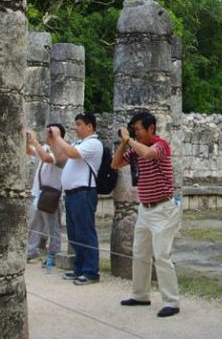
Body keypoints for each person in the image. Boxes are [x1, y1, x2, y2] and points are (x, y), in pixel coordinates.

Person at [111, 111, 182, 318]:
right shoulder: (136, 148)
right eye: (133, 130)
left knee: (161, 255)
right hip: (145, 208)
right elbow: (115, 164)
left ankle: (171, 301)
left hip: (163, 208)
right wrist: (124, 143)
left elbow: (149, 154)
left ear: (151, 128)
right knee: (140, 252)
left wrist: (129, 140)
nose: (136, 133)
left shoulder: (161, 145)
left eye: (138, 129)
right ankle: (140, 295)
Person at [48, 113, 104, 285]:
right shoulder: (78, 143)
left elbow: (72, 154)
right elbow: (61, 158)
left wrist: (59, 137)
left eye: (79, 124)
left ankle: (91, 271)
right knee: (74, 234)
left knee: (85, 232)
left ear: (90, 126)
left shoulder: (93, 143)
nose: (76, 128)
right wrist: (53, 141)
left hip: (84, 192)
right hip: (72, 194)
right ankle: (79, 268)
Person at [25, 125, 67, 264]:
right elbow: (29, 151)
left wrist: (35, 142)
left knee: (52, 227)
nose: (48, 134)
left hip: (51, 194)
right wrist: (27, 140)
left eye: (51, 132)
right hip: (38, 192)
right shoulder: (45, 147)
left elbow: (47, 158)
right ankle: (31, 252)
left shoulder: (61, 150)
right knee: (34, 224)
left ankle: (54, 255)